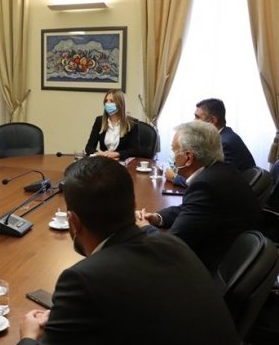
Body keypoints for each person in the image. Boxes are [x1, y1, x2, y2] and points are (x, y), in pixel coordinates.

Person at [18, 156, 238, 345]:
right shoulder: (172, 244)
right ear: (133, 207)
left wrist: (28, 335)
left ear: (73, 222)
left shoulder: (82, 279)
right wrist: (69, 317)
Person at [138, 120, 260, 273]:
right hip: (232, 255)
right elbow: (190, 208)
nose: (172, 157)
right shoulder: (222, 170)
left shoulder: (206, 185)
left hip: (210, 269)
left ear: (188, 158)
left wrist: (145, 228)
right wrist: (157, 218)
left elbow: (171, 247)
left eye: (174, 150)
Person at [166, 98, 255, 187]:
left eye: (197, 117)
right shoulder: (222, 136)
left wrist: (175, 177)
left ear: (212, 120)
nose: (194, 121)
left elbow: (211, 181)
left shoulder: (224, 143)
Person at [84, 89, 140, 160]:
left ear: (120, 103)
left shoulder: (132, 123)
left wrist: (117, 154)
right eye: (106, 101)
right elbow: (89, 148)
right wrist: (99, 153)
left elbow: (135, 151)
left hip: (122, 162)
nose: (108, 104)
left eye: (112, 101)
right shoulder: (99, 121)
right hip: (104, 161)